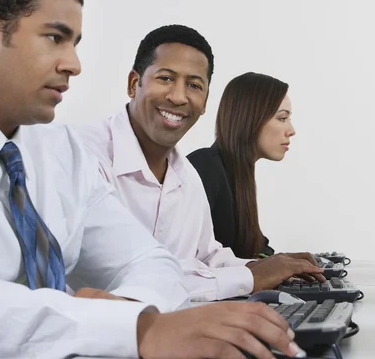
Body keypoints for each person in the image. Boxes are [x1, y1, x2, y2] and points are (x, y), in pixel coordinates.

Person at [0, 0, 306, 358]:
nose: (74, 64)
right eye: (55, 38)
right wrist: (134, 329)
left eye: (75, 43)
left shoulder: (59, 152)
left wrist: (126, 315)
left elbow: (150, 262)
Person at [78, 24, 324, 304]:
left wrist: (268, 267)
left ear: (205, 102)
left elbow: (206, 257)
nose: (179, 96)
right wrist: (251, 277)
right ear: (134, 84)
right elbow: (131, 278)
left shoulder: (187, 176)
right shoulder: (84, 157)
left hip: (174, 334)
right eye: (166, 78)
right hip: (100, 342)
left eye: (194, 86)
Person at [188, 72, 296, 259]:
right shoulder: (205, 167)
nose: (291, 130)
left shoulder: (239, 175)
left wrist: (284, 263)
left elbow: (257, 246)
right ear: (251, 118)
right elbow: (190, 262)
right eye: (282, 118)